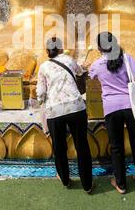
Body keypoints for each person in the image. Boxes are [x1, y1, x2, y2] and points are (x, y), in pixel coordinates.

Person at [88, 32, 135, 194]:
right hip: (130, 106)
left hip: (111, 108)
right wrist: (127, 81)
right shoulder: (127, 58)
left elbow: (90, 77)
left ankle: (121, 184)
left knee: (116, 147)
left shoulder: (97, 64)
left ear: (100, 48)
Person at [36, 37, 93, 193]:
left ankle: (65, 179)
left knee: (59, 146)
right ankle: (87, 184)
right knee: (81, 145)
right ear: (61, 49)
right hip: (76, 106)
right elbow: (80, 71)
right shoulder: (69, 59)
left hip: (55, 110)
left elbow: (40, 93)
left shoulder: (43, 67)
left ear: (47, 51)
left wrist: (42, 100)